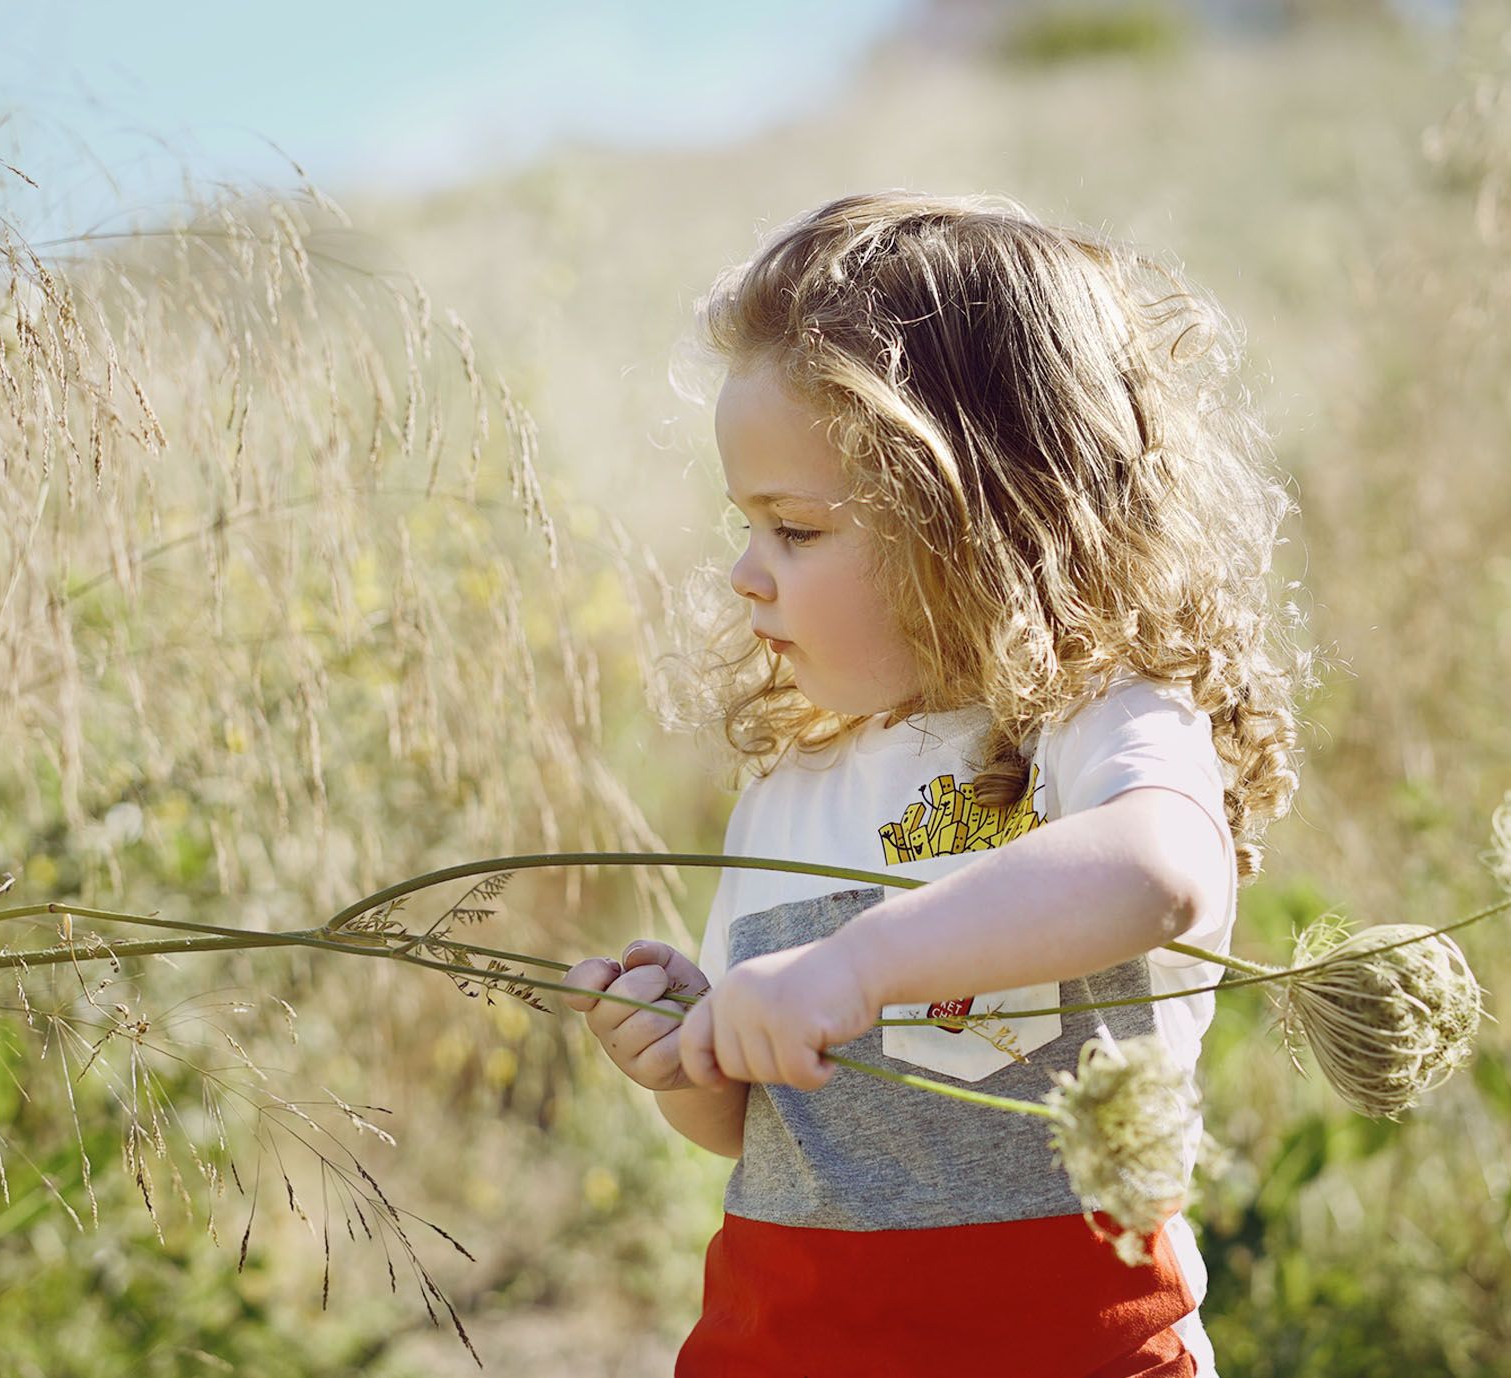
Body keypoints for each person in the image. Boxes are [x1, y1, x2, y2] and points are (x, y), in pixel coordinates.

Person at [562, 190, 1314, 1377]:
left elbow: (1160, 871)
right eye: (745, 527)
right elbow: (766, 1134)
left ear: (981, 516)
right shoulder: (790, 789)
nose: (747, 575)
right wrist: (687, 1052)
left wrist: (857, 964)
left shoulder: (1098, 722)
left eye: (796, 531)